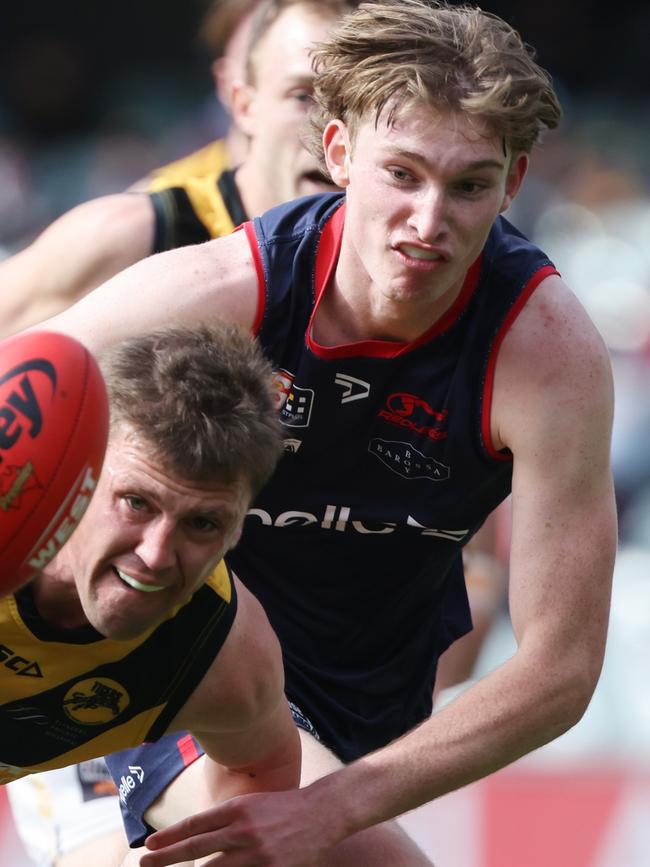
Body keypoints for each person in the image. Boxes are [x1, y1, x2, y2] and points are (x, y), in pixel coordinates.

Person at [33, 2, 617, 866]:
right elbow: (21, 410)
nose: (429, 221)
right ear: (338, 153)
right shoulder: (213, 289)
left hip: (362, 716)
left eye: (468, 185)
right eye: (403, 174)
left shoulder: (548, 354)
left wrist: (336, 804)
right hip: (179, 666)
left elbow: (562, 670)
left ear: (515, 181)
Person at [2, 324, 301, 866]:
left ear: (238, 532)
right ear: (81, 477)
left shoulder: (225, 659)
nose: (156, 555)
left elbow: (260, 777)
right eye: (136, 502)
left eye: (203, 523)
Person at [0, 0, 353, 339]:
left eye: (352, 101)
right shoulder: (140, 232)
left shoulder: (396, 263)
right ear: (240, 101)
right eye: (301, 96)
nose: (327, 131)